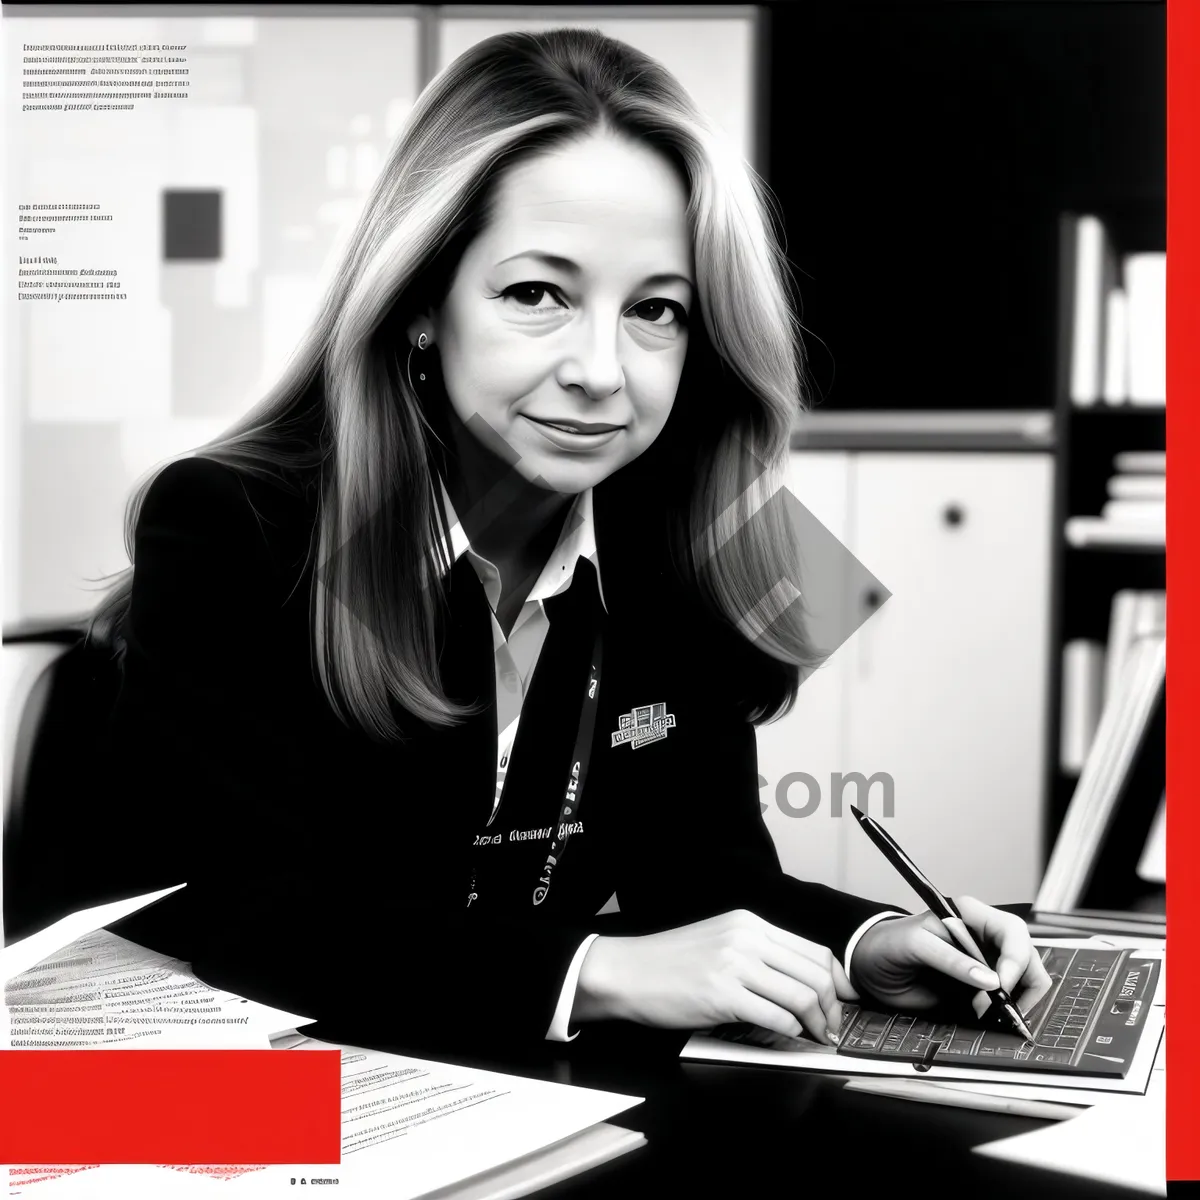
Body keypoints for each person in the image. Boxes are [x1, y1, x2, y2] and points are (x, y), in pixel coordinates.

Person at [87, 27, 1050, 1054]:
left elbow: (708, 877)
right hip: (254, 1102)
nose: (603, 370)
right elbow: (259, 919)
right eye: (537, 294)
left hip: (513, 1095)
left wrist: (869, 941)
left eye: (656, 311)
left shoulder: (680, 530)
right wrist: (598, 971)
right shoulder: (234, 525)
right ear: (422, 303)